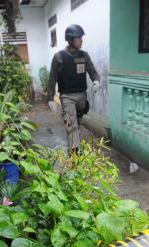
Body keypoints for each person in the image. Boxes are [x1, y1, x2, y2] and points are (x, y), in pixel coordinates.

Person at [47, 24, 101, 153]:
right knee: (71, 125)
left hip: (82, 97)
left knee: (78, 124)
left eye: (81, 38)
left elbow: (93, 71)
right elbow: (52, 78)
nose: (81, 40)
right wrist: (50, 98)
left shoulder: (84, 55)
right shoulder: (58, 57)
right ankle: (75, 154)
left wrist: (96, 81)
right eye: (78, 38)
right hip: (67, 97)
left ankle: (75, 145)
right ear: (70, 40)